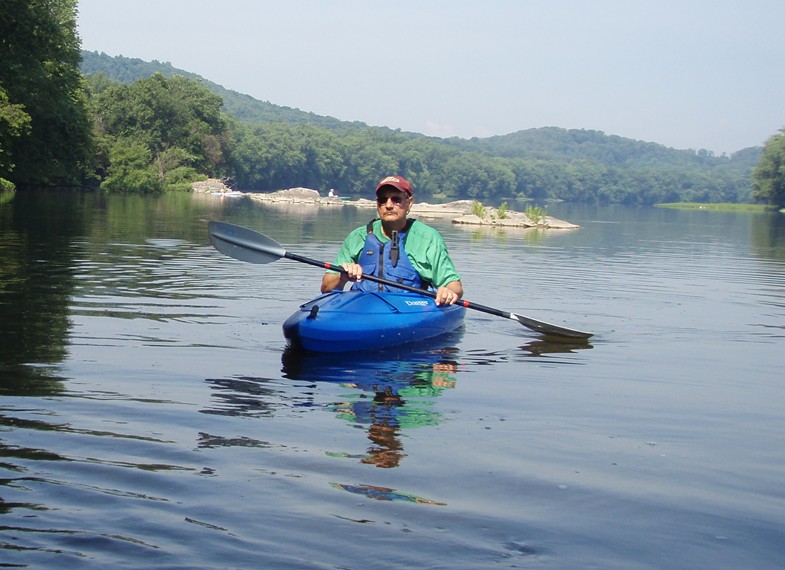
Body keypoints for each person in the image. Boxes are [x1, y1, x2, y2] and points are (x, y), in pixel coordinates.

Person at [320, 175, 463, 306]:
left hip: (407, 310)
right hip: (361, 307)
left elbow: (454, 286)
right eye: (383, 200)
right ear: (377, 204)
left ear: (409, 202)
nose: (388, 205)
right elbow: (326, 288)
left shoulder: (428, 238)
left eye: (396, 199)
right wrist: (342, 276)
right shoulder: (358, 237)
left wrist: (447, 292)